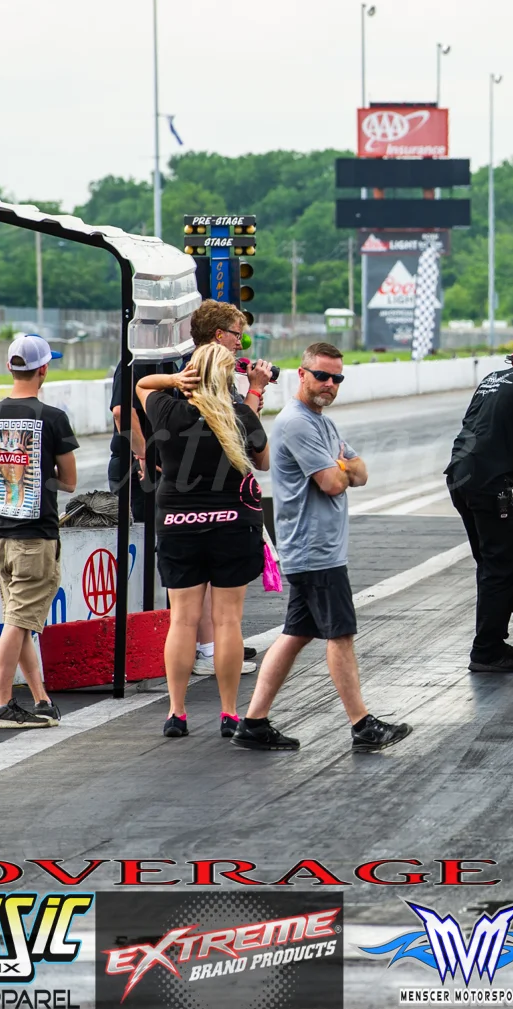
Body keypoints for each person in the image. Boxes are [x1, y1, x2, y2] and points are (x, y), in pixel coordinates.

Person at [234, 343, 411, 752]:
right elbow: (332, 483)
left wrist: (342, 467)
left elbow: (361, 473)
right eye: (322, 376)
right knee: (341, 635)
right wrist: (340, 467)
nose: (329, 384)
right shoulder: (298, 423)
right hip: (314, 550)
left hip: (316, 550)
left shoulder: (322, 423)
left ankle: (254, 722)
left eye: (337, 378)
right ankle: (362, 725)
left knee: (295, 634)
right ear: (302, 374)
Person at [111, 299, 273, 676]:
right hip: (165, 481)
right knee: (200, 595)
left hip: (182, 489)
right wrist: (144, 455)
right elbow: (123, 411)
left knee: (191, 595)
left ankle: (206, 653)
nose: (241, 343)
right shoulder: (145, 357)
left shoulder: (188, 372)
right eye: (237, 335)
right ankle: (208, 651)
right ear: (218, 336)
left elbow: (235, 429)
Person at [137, 342, 270, 738]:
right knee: (227, 620)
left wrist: (175, 380)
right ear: (228, 378)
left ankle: (176, 713)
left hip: (178, 523)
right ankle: (229, 713)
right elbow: (262, 461)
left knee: (182, 620)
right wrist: (255, 393)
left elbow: (142, 384)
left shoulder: (167, 410)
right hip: (234, 525)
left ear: (192, 373)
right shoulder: (241, 415)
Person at [0, 336, 77, 729]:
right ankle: (0, 703)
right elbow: (69, 481)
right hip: (35, 535)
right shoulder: (53, 417)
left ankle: (41, 699)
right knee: (19, 622)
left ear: (9, 367)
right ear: (44, 369)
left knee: (18, 619)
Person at [445, 332, 513, 673]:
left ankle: (493, 641)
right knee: (504, 566)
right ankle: (486, 652)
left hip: (459, 477)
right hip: (489, 482)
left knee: (489, 564)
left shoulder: (492, 378)